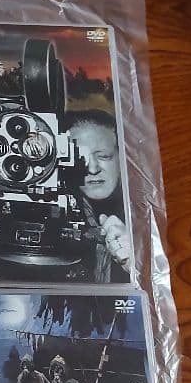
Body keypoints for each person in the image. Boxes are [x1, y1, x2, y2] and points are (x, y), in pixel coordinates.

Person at [63, 109, 131, 283]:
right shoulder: (57, 216)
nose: (93, 169)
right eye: (80, 158)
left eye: (104, 156)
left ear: (122, 157)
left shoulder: (143, 215)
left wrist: (133, 261)